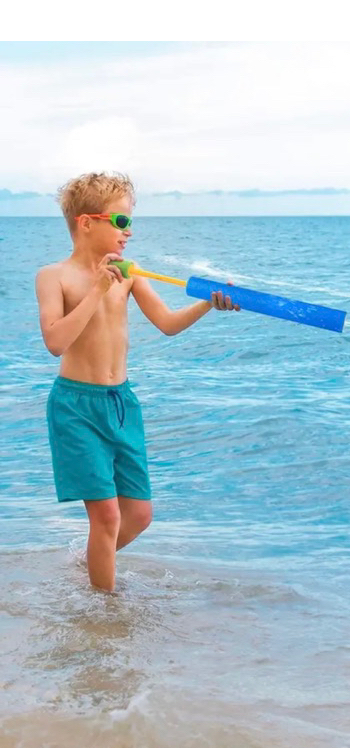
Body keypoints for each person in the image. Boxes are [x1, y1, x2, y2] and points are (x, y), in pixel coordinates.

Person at [35, 172, 239, 592]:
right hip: (76, 406)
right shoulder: (54, 276)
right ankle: (105, 613)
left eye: (130, 221)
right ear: (86, 222)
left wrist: (207, 304)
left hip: (122, 404)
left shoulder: (130, 274)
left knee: (139, 515)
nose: (129, 231)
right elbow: (56, 342)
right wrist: (96, 289)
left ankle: (89, 563)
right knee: (107, 516)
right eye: (121, 221)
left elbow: (167, 323)